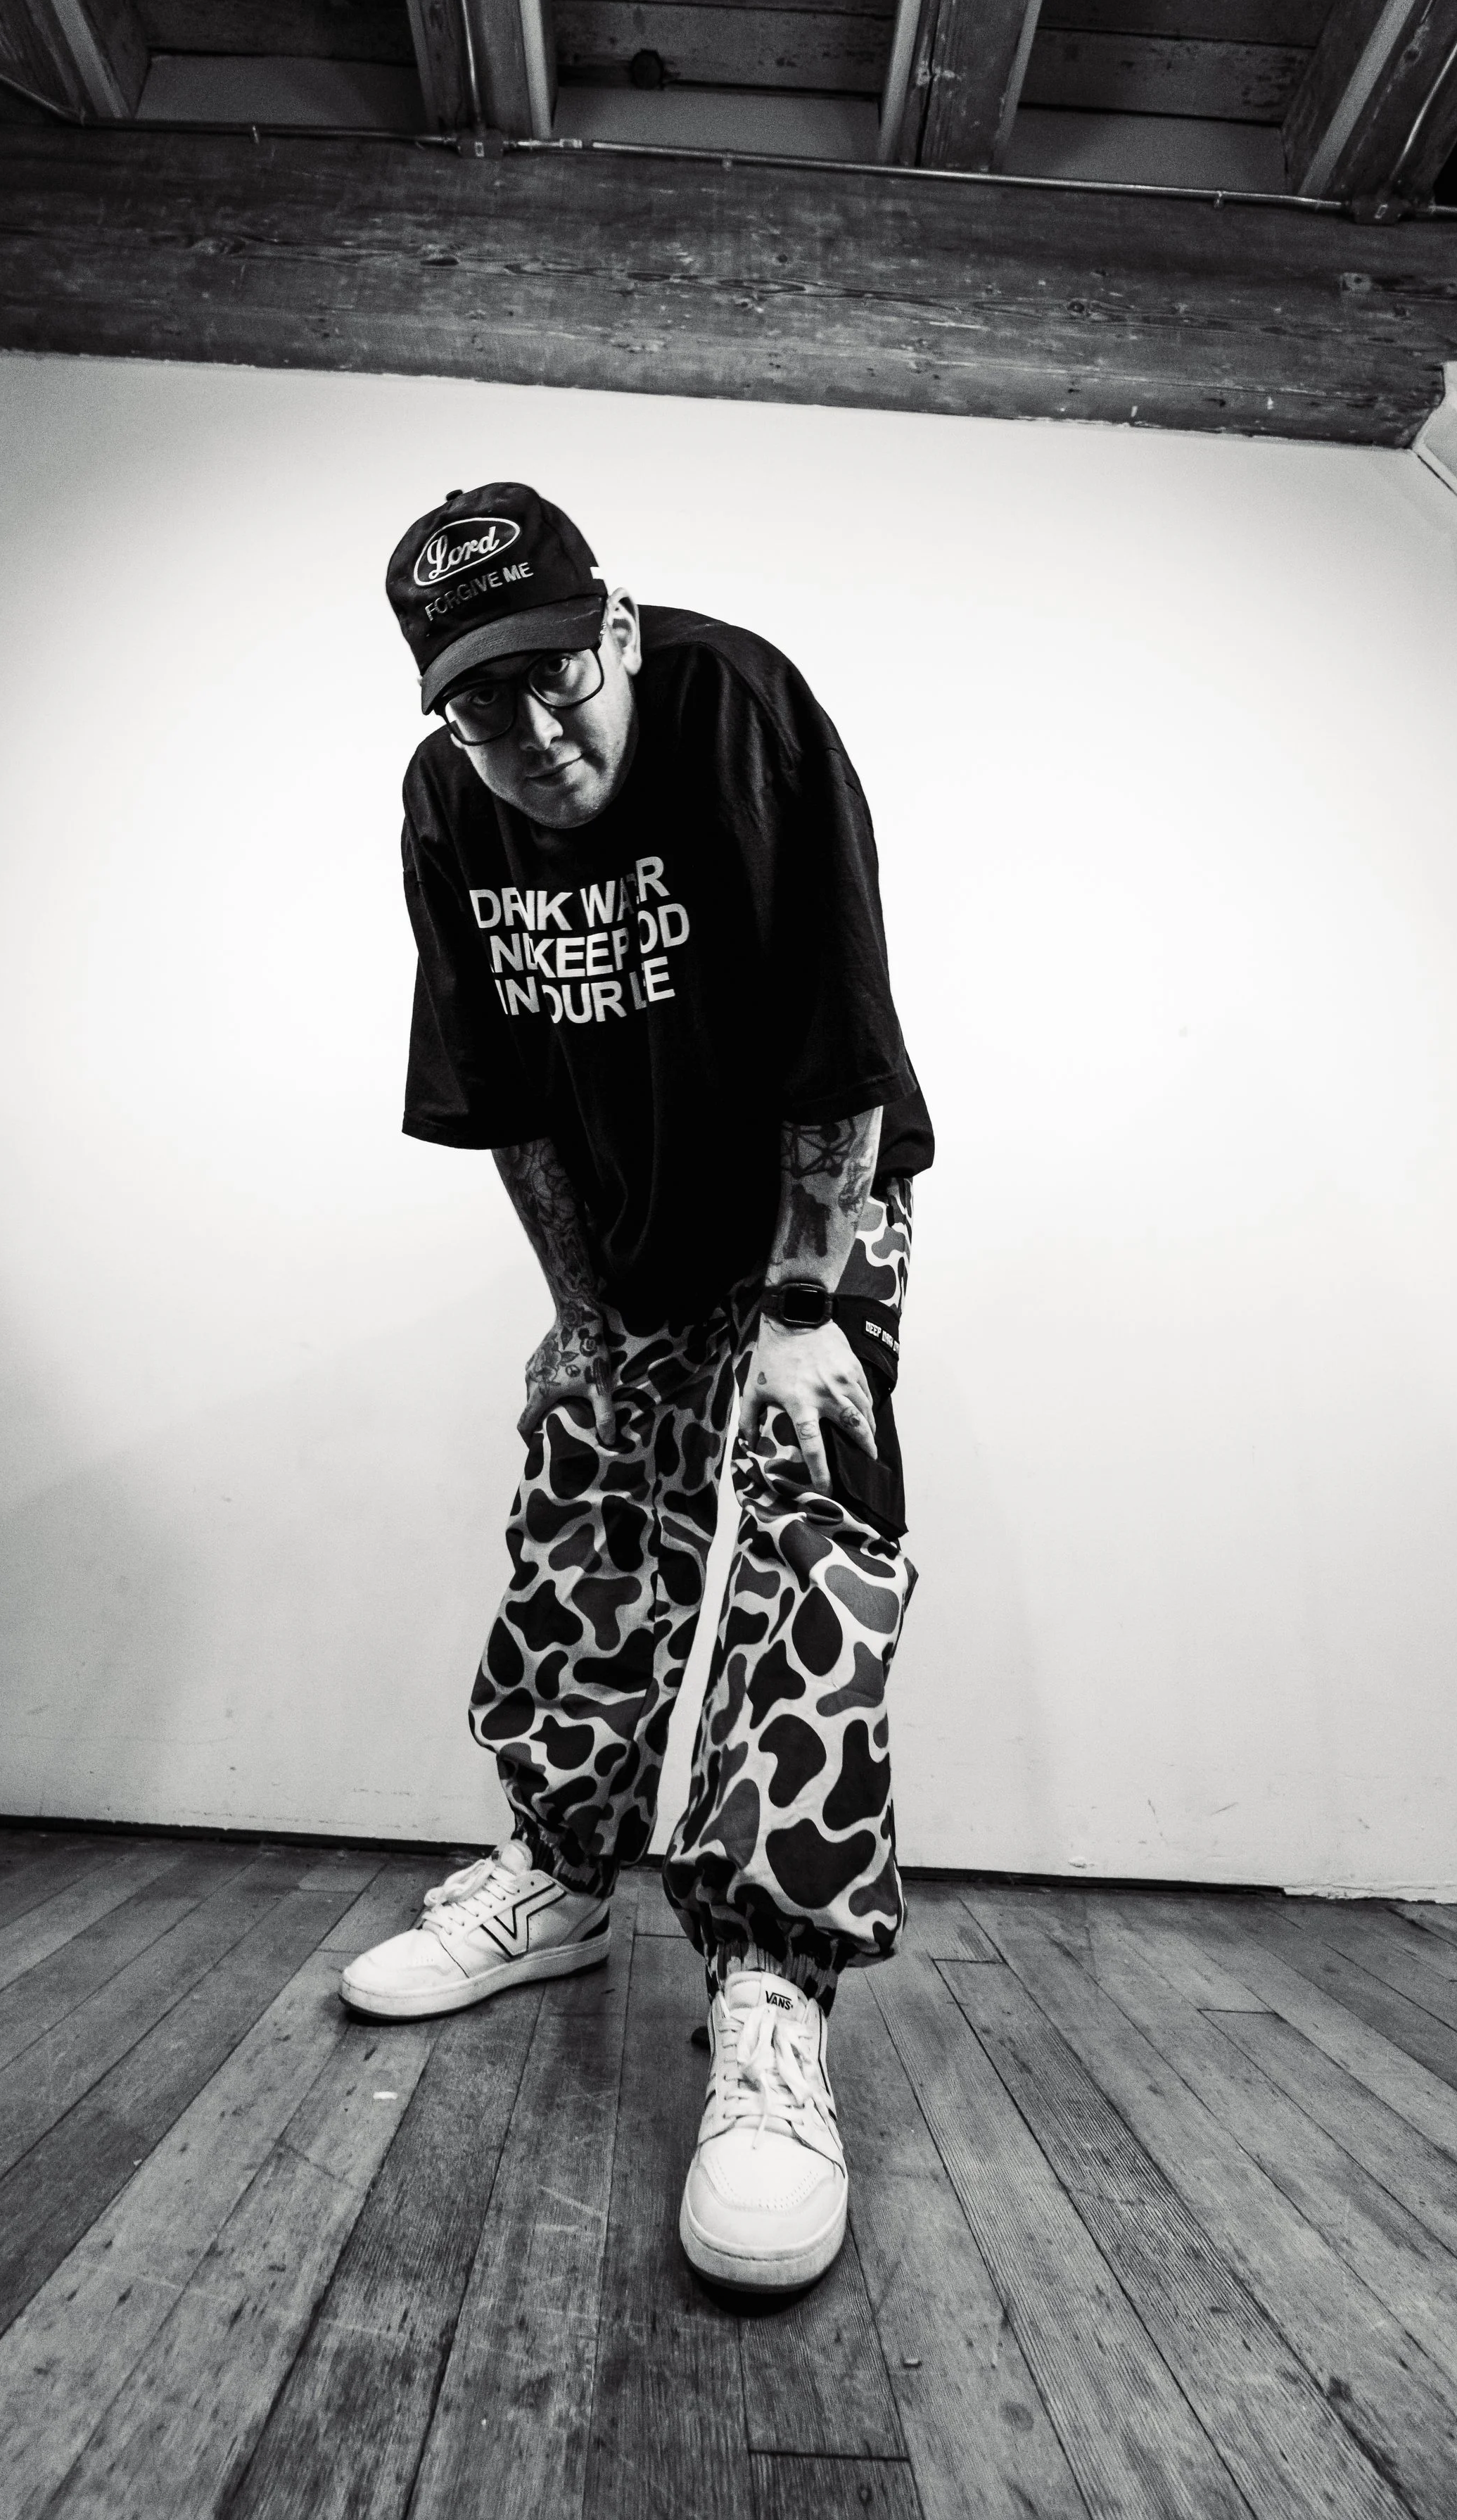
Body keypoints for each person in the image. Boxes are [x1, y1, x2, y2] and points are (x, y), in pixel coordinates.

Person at [340, 480, 933, 2294]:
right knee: (583, 1522)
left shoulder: (738, 707)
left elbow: (839, 1031)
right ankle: (557, 1880)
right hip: (629, 1233)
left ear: (613, 628)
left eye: (552, 677)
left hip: (806, 1221)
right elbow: (504, 1099)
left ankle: (771, 1996)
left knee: (799, 1541)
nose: (529, 733)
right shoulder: (451, 805)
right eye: (476, 702)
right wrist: (584, 1318)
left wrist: (806, 1305)